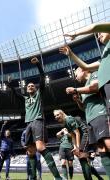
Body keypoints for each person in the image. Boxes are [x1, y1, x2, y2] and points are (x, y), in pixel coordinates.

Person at [62, 26, 110, 177]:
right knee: (102, 149)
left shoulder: (95, 75)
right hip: (91, 119)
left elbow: (95, 87)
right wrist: (78, 101)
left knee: (108, 144)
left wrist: (76, 90)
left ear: (84, 72)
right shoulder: (103, 59)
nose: (75, 74)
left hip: (101, 114)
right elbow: (84, 108)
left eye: (76, 71)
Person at [8, 57, 62, 180]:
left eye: (33, 86)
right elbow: (16, 94)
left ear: (36, 88)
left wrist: (38, 65)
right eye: (29, 86)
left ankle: (58, 177)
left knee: (40, 147)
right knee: (30, 151)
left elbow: (42, 78)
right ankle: (32, 178)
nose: (31, 86)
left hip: (38, 121)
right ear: (27, 89)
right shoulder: (26, 99)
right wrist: (11, 86)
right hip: (28, 124)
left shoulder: (38, 94)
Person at [53, 109, 93, 180]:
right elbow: (73, 135)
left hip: (85, 133)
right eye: (55, 116)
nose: (56, 117)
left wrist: (77, 146)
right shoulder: (65, 123)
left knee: (82, 156)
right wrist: (75, 146)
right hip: (81, 136)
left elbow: (77, 133)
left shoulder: (68, 119)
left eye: (58, 114)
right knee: (82, 158)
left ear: (62, 113)